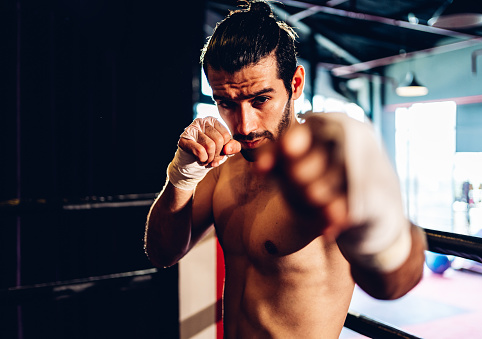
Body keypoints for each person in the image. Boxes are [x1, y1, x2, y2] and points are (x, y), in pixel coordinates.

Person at [144, 1, 426, 338]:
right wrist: (180, 178)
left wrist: (374, 224)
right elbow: (162, 252)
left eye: (260, 100)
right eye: (227, 103)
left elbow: (392, 286)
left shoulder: (322, 172)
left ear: (295, 84)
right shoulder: (222, 168)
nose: (244, 125)